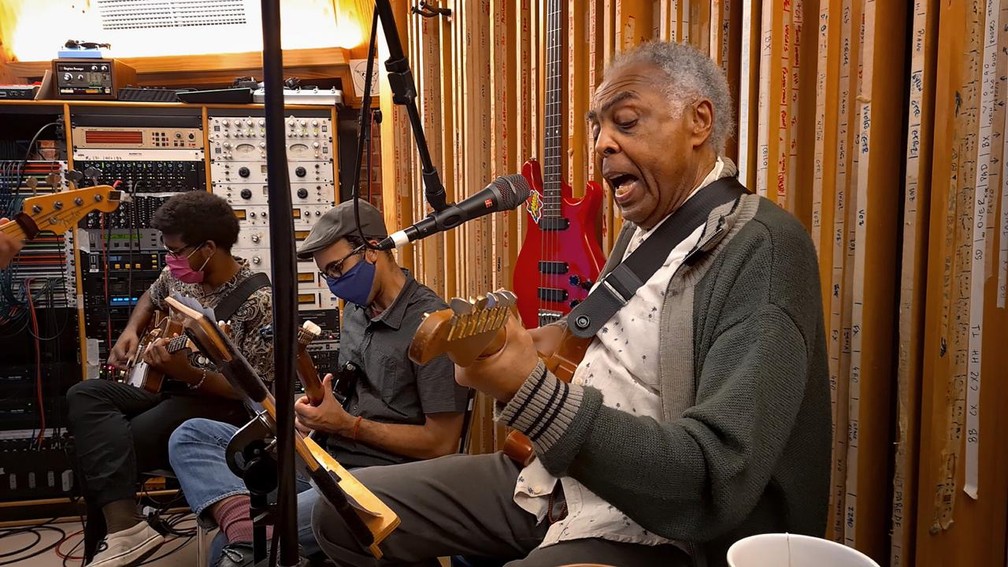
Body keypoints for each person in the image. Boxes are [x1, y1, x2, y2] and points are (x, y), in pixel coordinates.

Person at [310, 41, 831, 567]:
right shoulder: (642, 233)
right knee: (343, 510)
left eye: (626, 122)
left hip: (666, 529)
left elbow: (715, 479)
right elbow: (600, 338)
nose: (602, 143)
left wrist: (528, 391)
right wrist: (515, 344)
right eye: (597, 127)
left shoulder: (761, 247)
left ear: (699, 122)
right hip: (554, 479)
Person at [166, 200, 469, 566]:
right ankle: (246, 525)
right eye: (327, 274)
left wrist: (348, 425)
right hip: (324, 456)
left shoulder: (433, 325)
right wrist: (314, 416)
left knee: (232, 555)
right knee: (192, 436)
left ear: (373, 249)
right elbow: (348, 394)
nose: (335, 283)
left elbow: (442, 444)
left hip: (377, 482)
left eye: (338, 268)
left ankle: (246, 529)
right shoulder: (358, 312)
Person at [67, 191, 274, 567]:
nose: (171, 261)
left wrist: (190, 374)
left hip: (216, 405)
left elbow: (255, 392)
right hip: (166, 388)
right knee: (84, 394)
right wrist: (133, 329)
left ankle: (119, 532)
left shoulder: (258, 301)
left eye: (177, 252)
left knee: (105, 446)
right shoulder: (178, 276)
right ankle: (125, 528)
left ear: (208, 248)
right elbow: (152, 293)